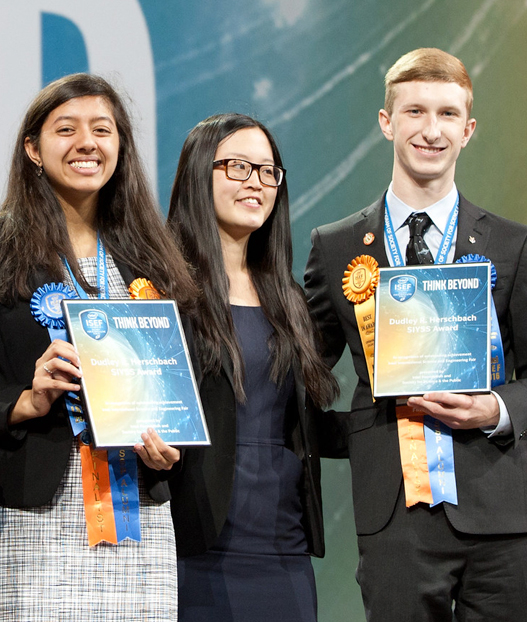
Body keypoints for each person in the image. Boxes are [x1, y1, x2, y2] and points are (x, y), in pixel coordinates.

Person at [303, 48, 527, 621]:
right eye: (415, 112)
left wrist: (492, 409)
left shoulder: (513, 244)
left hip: (505, 521)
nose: (431, 130)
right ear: (387, 122)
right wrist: (358, 433)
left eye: (448, 114)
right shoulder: (336, 248)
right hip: (395, 521)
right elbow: (301, 372)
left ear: (469, 130)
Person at [0, 73, 198, 621]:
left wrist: (169, 449)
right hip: (28, 520)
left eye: (102, 130)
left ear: (120, 148)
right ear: (33, 149)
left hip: (137, 520)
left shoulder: (153, 258)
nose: (87, 142)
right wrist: (23, 401)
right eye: (67, 129)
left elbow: (177, 393)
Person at [165, 113, 339, 621]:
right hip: (192, 551)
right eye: (239, 167)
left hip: (283, 552)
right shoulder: (158, 289)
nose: (256, 183)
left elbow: (302, 427)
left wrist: (395, 420)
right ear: (201, 173)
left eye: (268, 172)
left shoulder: (290, 299)